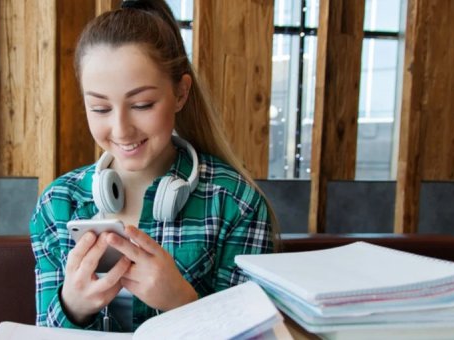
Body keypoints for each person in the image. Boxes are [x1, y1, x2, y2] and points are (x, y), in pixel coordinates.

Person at [29, 0, 277, 332]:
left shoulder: (236, 204)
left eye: (142, 104)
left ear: (180, 92)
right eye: (100, 108)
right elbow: (42, 333)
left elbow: (253, 335)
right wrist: (72, 306)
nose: (121, 130)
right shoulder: (57, 204)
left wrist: (182, 302)